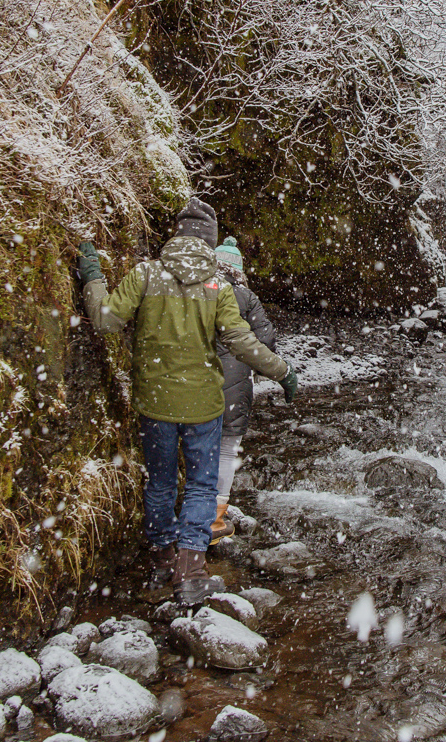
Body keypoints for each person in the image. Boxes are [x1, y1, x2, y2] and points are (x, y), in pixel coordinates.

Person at [75, 199, 299, 606]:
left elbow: (105, 319)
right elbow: (243, 343)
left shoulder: (145, 274)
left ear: (176, 235)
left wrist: (92, 277)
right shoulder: (219, 286)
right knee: (199, 486)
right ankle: (191, 572)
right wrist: (282, 372)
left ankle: (161, 558)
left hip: (154, 404)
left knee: (160, 482)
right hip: (203, 408)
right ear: (210, 244)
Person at [209, 237, 278, 544]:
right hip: (237, 385)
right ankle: (215, 517)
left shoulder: (199, 292)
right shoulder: (247, 298)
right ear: (239, 270)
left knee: (197, 446)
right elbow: (265, 341)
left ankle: (190, 511)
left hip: (199, 381)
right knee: (226, 451)